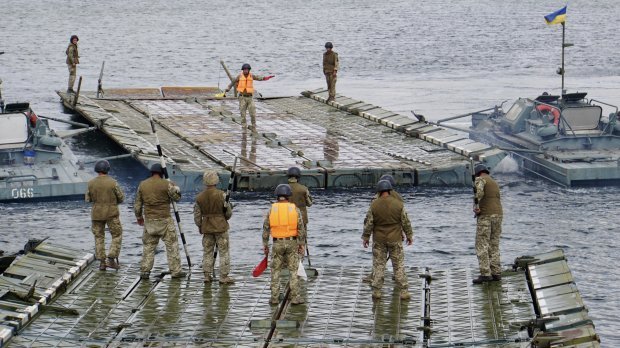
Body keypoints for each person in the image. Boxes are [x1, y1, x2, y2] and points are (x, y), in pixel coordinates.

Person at [362, 180, 414, 301]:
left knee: (379, 265)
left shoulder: (374, 205)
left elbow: (369, 223)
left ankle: (377, 291)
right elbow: (405, 222)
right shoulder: (398, 204)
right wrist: (409, 235)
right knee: (398, 265)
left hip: (379, 240)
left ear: (379, 191)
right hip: (395, 239)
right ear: (390, 190)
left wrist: (366, 237)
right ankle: (404, 291)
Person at [134, 163, 186, 279]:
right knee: (172, 246)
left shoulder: (142, 185)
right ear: (162, 173)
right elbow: (177, 198)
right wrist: (176, 188)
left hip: (149, 221)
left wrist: (139, 217)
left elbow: (137, 204)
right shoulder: (167, 184)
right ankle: (176, 271)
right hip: (165, 220)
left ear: (152, 172)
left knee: (148, 246)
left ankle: (145, 271)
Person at [262, 184, 306, 305]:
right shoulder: (295, 209)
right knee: (293, 270)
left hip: (277, 243)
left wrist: (265, 244)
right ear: (288, 196)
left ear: (277, 196)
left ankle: (274, 298)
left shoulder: (271, 209)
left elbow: (265, 228)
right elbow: (301, 227)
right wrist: (301, 244)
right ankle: (295, 297)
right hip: (292, 242)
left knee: (275, 270)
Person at [193, 169, 234, 284]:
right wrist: (225, 218)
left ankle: (207, 275)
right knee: (224, 252)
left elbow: (197, 215)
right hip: (221, 226)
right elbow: (228, 213)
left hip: (206, 227)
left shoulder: (199, 197)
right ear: (216, 180)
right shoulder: (222, 195)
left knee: (207, 251)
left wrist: (200, 226)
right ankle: (223, 276)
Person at [362, 174, 404, 283]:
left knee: (378, 258)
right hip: (395, 233)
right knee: (397, 259)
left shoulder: (376, 199)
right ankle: (398, 277)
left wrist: (366, 234)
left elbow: (370, 218)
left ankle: (375, 276)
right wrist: (404, 233)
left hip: (379, 234)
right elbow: (402, 216)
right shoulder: (398, 197)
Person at [85, 160, 125, 271]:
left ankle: (102, 263)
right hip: (111, 213)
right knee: (117, 235)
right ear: (107, 169)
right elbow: (121, 197)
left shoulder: (91, 183)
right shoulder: (113, 182)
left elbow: (88, 199)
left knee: (99, 237)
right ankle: (111, 259)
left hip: (96, 214)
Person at [471, 163, 503, 284]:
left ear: (478, 173)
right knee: (494, 244)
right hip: (498, 215)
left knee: (482, 244)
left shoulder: (481, 180)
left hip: (486, 216)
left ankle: (485, 273)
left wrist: (475, 206)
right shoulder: (494, 182)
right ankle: (496, 272)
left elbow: (478, 193)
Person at [223, 63, 274, 132]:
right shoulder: (239, 76)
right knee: (242, 113)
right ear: (242, 70)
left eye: (247, 70)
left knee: (253, 113)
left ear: (249, 70)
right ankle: (244, 127)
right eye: (244, 70)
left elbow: (259, 78)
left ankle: (254, 126)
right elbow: (232, 83)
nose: (245, 71)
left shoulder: (252, 76)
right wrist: (228, 88)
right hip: (242, 98)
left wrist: (266, 78)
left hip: (250, 98)